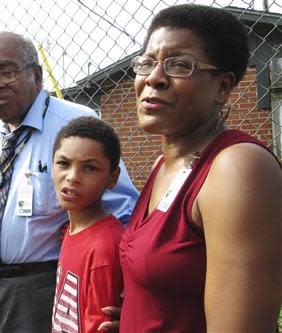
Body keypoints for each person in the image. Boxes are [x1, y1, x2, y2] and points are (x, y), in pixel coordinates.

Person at [101, 4, 281, 332]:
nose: (154, 78)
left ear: (222, 87)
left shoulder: (237, 168)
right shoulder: (163, 164)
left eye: (179, 65)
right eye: (146, 62)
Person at [0, 31, 139, 333]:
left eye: (6, 72)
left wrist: (127, 292)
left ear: (36, 75)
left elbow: (124, 212)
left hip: (44, 289)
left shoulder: (74, 125)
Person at [51, 116, 124, 333]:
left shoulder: (105, 248)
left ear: (112, 177)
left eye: (90, 168)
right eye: (63, 164)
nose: (72, 177)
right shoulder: (70, 230)